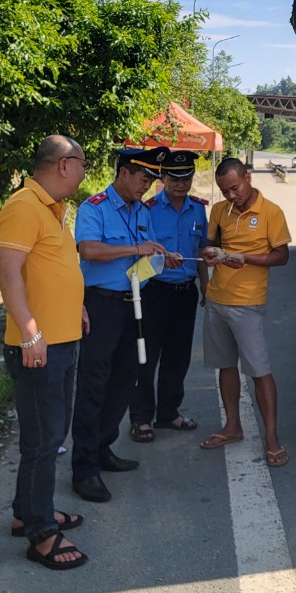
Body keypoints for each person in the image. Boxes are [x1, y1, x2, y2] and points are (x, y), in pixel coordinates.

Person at [0, 134, 90, 570]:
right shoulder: (23, 206)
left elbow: (54, 268)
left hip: (63, 339)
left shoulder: (54, 210)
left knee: (48, 436)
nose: (86, 172)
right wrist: (31, 333)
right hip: (38, 348)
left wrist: (79, 305)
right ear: (64, 165)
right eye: (83, 163)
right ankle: (40, 533)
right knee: (44, 441)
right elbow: (9, 274)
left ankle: (27, 510)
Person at [70, 145, 169, 503]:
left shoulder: (141, 211)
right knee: (94, 384)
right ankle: (83, 469)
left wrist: (158, 256)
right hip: (102, 305)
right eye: (144, 178)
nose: (147, 185)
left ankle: (102, 447)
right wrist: (135, 250)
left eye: (151, 180)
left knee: (126, 381)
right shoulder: (93, 207)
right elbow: (89, 251)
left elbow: (143, 253)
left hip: (135, 304)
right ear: (123, 172)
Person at [199, 157, 292, 467]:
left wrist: (245, 259)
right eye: (224, 191)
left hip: (248, 303)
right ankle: (232, 426)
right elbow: (209, 245)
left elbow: (281, 257)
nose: (230, 196)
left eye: (235, 188)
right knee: (225, 366)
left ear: (248, 178)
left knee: (259, 371)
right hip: (217, 299)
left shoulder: (271, 213)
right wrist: (212, 255)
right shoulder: (218, 211)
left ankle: (271, 437)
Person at [128, 150, 209, 442]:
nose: (181, 184)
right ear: (162, 178)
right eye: (174, 178)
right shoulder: (146, 209)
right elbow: (136, 258)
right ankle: (141, 418)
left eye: (186, 178)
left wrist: (205, 286)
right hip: (155, 293)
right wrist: (162, 261)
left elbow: (201, 251)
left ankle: (168, 412)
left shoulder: (198, 210)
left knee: (178, 356)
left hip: (185, 293)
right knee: (146, 358)